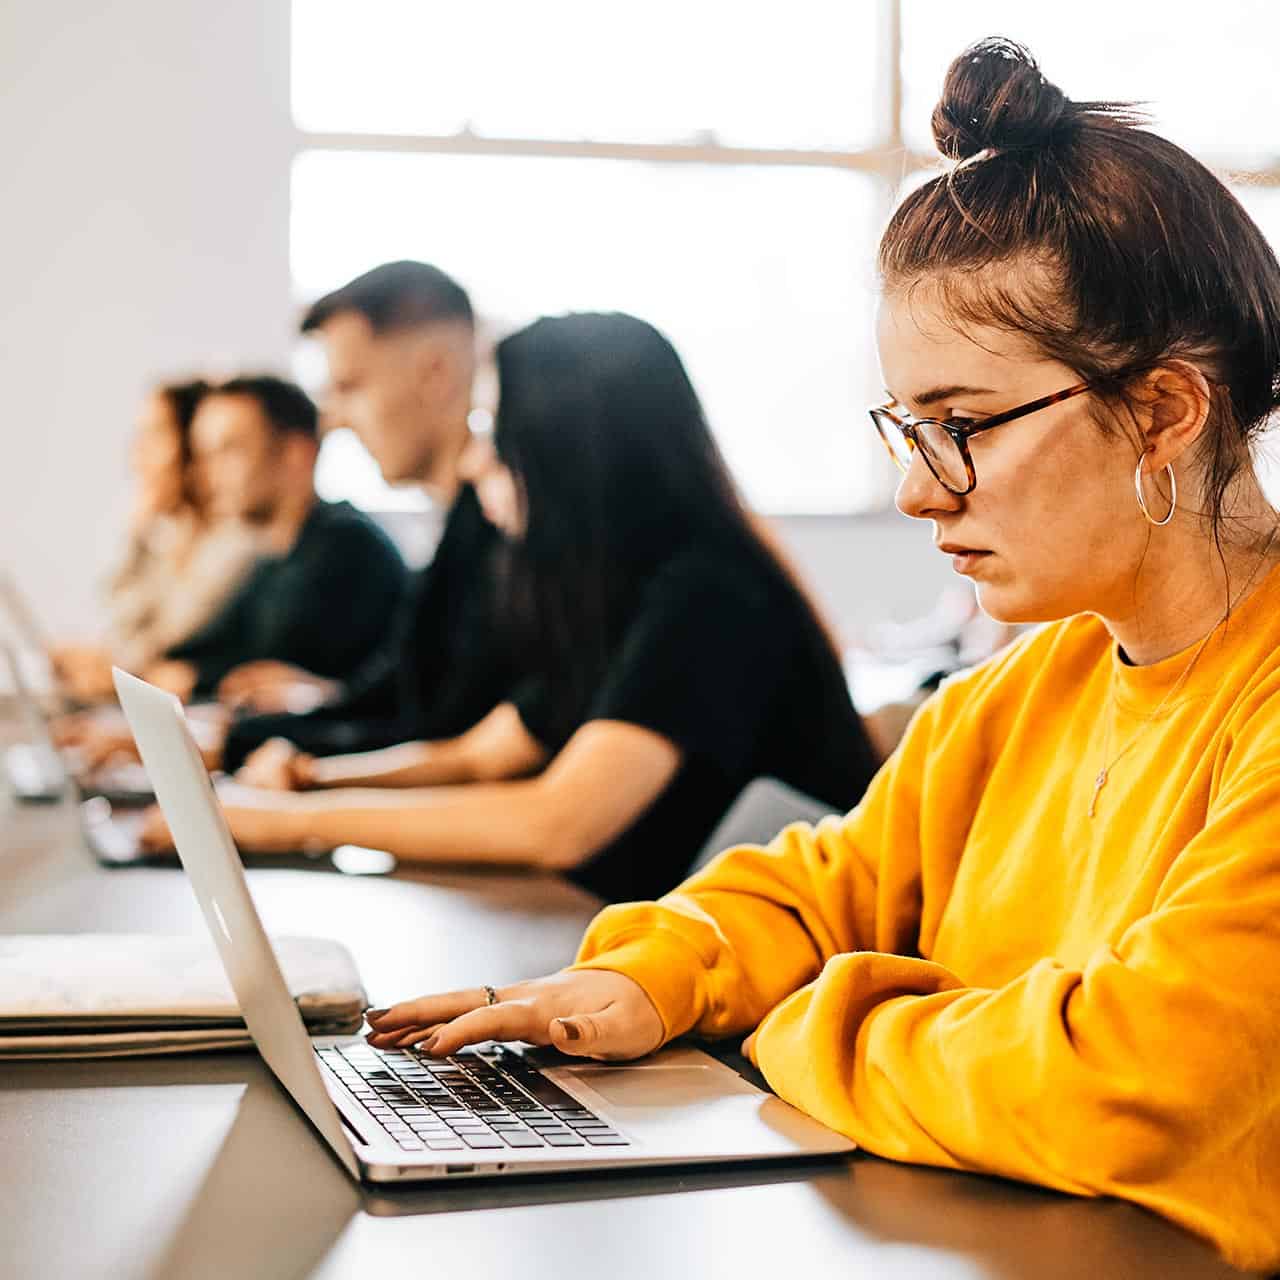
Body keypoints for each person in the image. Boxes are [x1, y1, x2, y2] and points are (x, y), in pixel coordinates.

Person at [361, 42, 1280, 1272]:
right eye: (909, 427)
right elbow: (814, 884)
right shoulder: (1017, 692)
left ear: (1164, 409)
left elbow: (1123, 1082)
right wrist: (649, 980)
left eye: (959, 427)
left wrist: (798, 1019)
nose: (913, 487)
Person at [149, 312, 881, 902]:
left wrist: (284, 824)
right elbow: (480, 752)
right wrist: (313, 777)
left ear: (569, 454)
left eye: (491, 433)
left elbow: (558, 822)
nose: (473, 463)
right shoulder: (613, 592)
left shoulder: (712, 595)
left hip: (768, 1016)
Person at [214, 261, 513, 767]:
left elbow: (435, 733)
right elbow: (397, 698)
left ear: (436, 371)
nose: (332, 420)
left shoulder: (501, 541)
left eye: (350, 387)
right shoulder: (456, 532)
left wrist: (242, 751)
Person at [49, 379, 260, 702]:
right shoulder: (170, 539)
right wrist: (138, 533)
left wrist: (106, 668)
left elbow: (160, 647)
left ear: (192, 450)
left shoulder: (236, 544)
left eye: (155, 436)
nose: (138, 454)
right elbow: (118, 629)